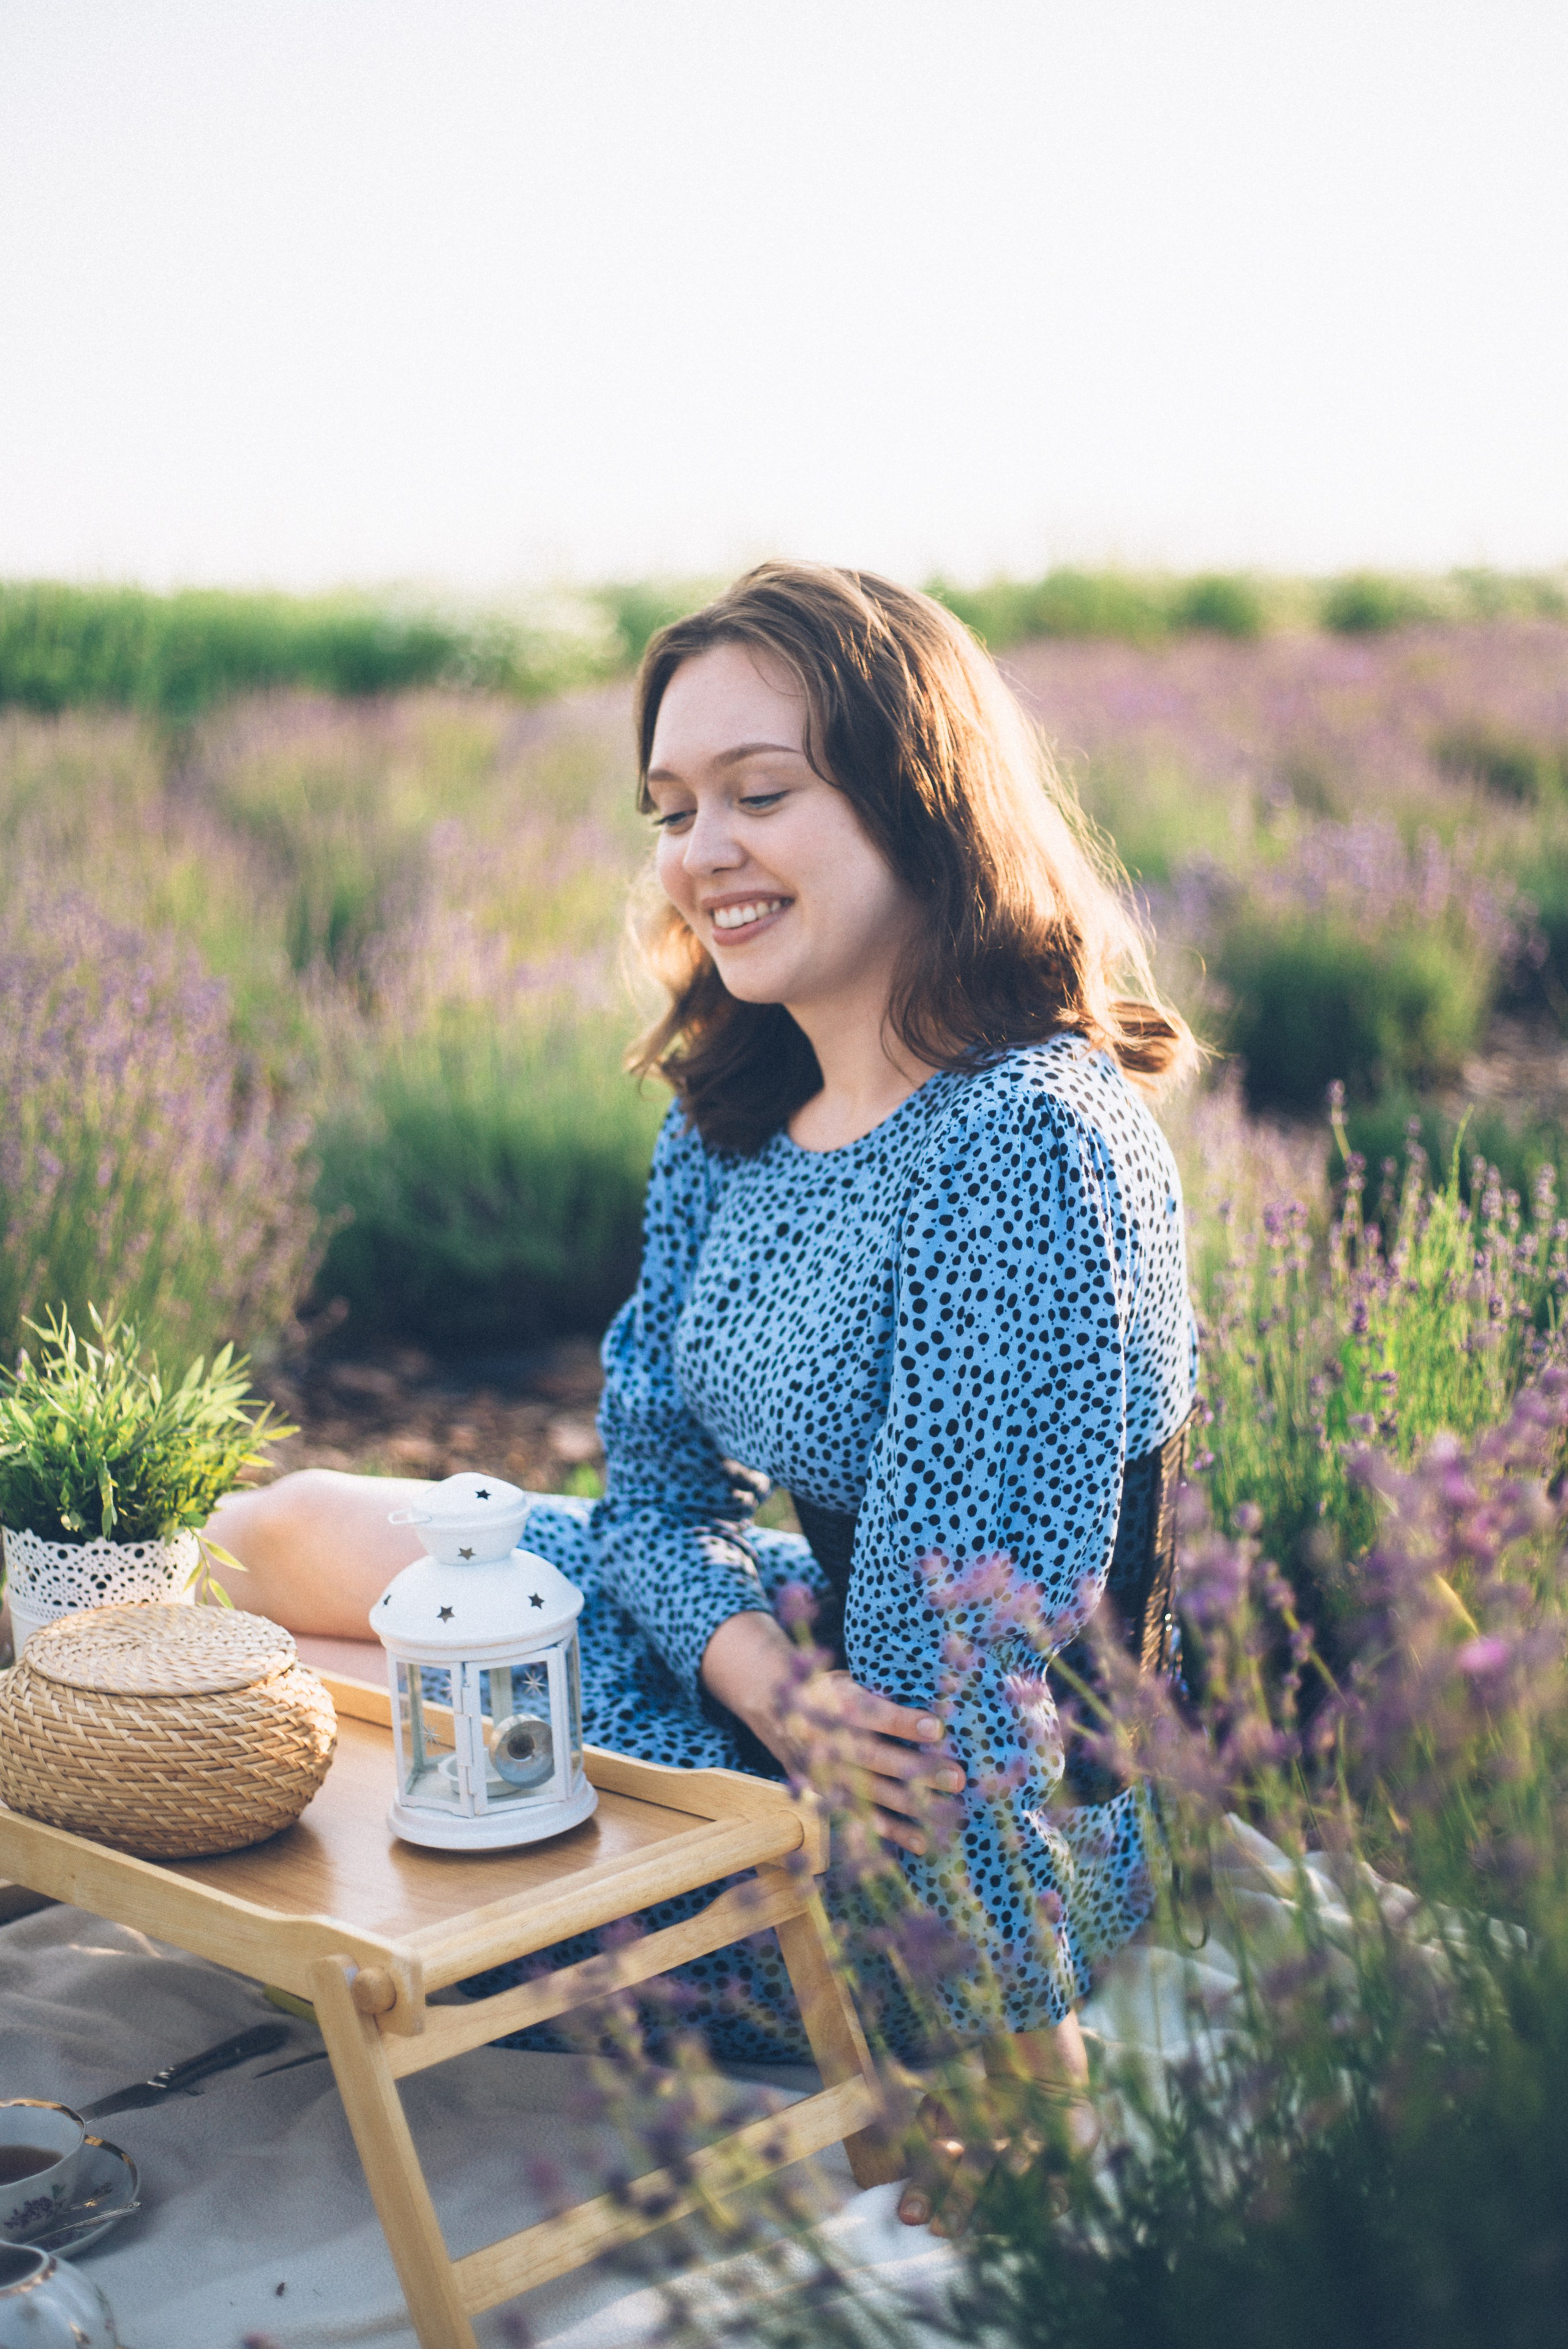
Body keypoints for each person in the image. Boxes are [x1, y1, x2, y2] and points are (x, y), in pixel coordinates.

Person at [213, 562, 1198, 2234]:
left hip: (959, 1820)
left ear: (923, 800)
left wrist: (1021, 2097)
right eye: (674, 808)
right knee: (276, 1541)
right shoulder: (731, 1119)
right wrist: (755, 1667)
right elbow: (658, 1499)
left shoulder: (1022, 1143)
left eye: (763, 793)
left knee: (334, 1730)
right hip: (794, 1669)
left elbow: (963, 1683)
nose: (701, 855)